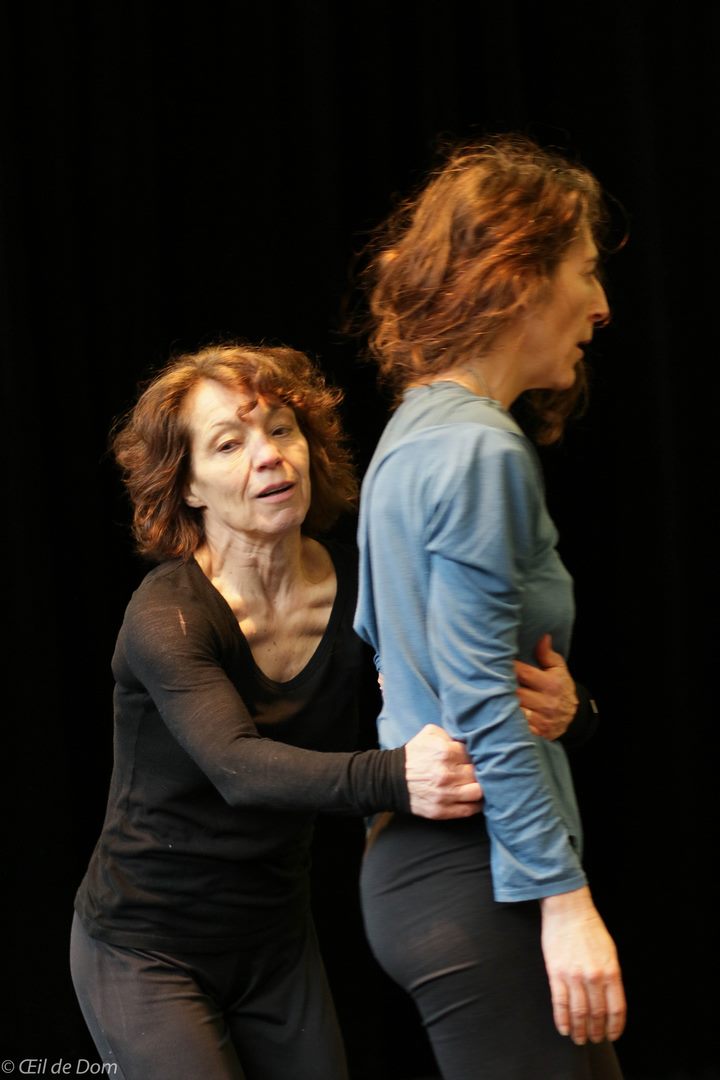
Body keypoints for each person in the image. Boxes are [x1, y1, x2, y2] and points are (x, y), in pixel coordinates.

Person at [70, 342, 486, 1080]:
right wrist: (399, 777)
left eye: (282, 429)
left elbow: (472, 684)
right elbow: (240, 769)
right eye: (230, 444)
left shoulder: (362, 583)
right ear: (187, 484)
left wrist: (569, 709)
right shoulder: (169, 616)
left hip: (275, 942)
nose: (269, 456)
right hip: (146, 947)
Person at [355, 136, 627, 1079]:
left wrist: (569, 708)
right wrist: (564, 897)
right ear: (519, 276)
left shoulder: (413, 430)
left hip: (439, 864)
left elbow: (394, 657)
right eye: (585, 271)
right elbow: (473, 695)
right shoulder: (479, 451)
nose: (601, 304)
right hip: (478, 871)